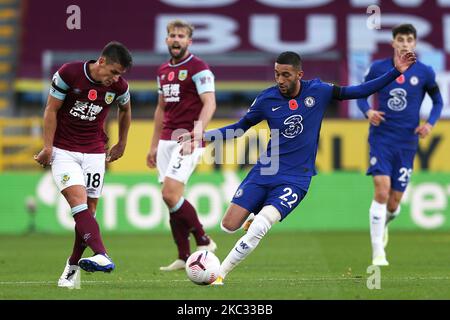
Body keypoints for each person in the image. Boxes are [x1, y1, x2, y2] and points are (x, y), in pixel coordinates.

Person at [180, 50, 416, 285]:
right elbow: (241, 128)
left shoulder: (319, 91)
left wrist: (395, 71)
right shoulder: (266, 99)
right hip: (265, 170)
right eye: (276, 74)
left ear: (299, 74)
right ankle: (255, 213)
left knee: (261, 226)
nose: (280, 80)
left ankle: (219, 273)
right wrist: (202, 136)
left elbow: (358, 91)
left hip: (296, 178)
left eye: (285, 75)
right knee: (229, 225)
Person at [34, 41, 133, 288]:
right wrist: (48, 147)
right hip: (64, 151)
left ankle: (72, 266)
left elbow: (125, 110)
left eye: (120, 74)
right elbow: (51, 110)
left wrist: (122, 142)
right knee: (77, 202)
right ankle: (103, 254)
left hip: (95, 153)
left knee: (88, 211)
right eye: (114, 72)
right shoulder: (70, 73)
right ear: (101, 61)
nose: (116, 78)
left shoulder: (119, 87)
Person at [357, 24, 443, 266]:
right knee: (381, 191)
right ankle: (378, 254)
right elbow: (360, 93)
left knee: (394, 204)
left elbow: (437, 102)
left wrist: (430, 124)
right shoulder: (379, 68)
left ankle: (384, 223)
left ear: (414, 43)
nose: (405, 43)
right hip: (381, 138)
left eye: (409, 40)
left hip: (407, 142)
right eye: (401, 39)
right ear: (393, 43)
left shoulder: (424, 72)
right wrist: (368, 111)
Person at [146, 19, 217, 271]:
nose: (176, 39)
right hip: (166, 139)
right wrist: (154, 144)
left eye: (181, 36)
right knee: (171, 199)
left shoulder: (199, 67)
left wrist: (197, 134)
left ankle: (203, 240)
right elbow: (161, 107)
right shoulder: (163, 70)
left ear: (189, 41)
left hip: (187, 138)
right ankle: (183, 255)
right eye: (172, 35)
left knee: (169, 194)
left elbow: (209, 102)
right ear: (166, 40)